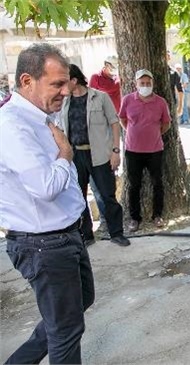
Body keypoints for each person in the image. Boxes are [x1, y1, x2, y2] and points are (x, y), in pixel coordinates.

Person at [0, 42, 94, 364]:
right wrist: (66, 155)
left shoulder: (40, 116)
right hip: (44, 244)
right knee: (66, 331)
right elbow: (46, 186)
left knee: (77, 306)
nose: (65, 91)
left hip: (66, 235)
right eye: (56, 84)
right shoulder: (12, 125)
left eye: (66, 83)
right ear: (27, 81)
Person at [59, 64, 130, 247]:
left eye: (65, 81)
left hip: (99, 154)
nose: (62, 85)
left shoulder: (100, 97)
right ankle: (86, 235)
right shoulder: (64, 101)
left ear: (74, 80)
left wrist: (115, 151)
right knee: (78, 196)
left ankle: (116, 233)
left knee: (107, 195)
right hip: (75, 156)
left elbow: (114, 123)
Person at [119, 69, 171, 232]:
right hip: (133, 150)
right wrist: (133, 131)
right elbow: (122, 119)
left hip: (154, 150)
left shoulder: (161, 102)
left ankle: (157, 215)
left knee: (157, 183)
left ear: (152, 84)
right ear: (136, 84)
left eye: (148, 83)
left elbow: (166, 123)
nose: (145, 86)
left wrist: (154, 134)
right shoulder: (127, 100)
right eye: (142, 83)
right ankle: (134, 218)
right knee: (134, 185)